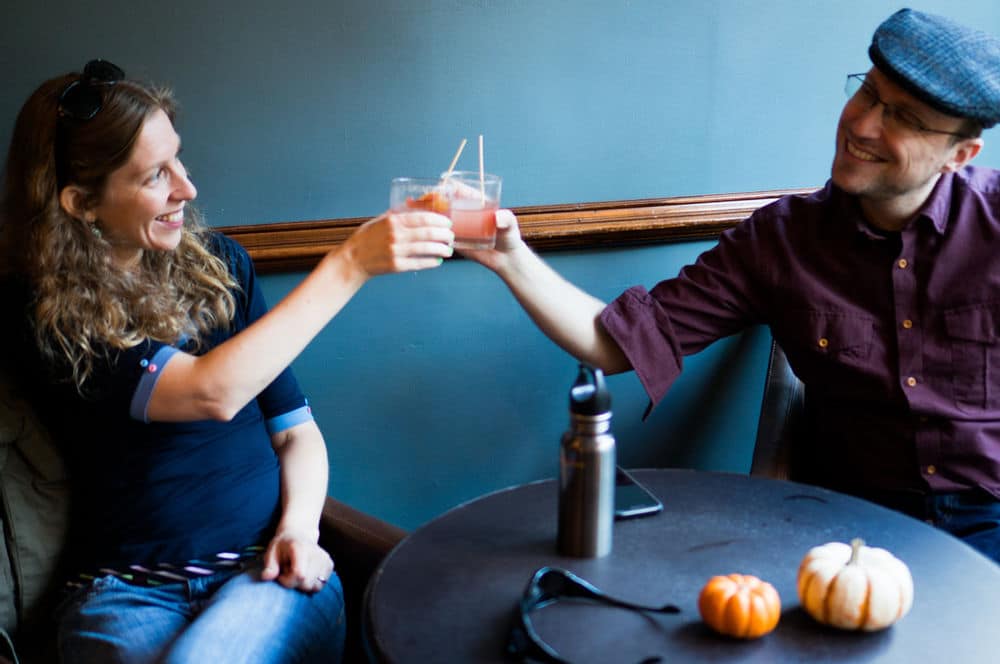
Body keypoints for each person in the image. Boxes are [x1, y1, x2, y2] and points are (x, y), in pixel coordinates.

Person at [467, 8, 1000, 564]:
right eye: (867, 94)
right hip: (850, 526)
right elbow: (617, 344)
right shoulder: (782, 239)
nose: (864, 125)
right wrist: (509, 256)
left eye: (905, 119)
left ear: (961, 154)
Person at [0, 60, 453, 662]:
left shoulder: (221, 268)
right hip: (119, 597)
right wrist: (350, 265)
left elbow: (296, 433)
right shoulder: (43, 308)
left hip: (262, 576)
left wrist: (300, 529)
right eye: (155, 175)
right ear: (82, 202)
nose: (186, 188)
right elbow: (211, 392)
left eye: (178, 159)